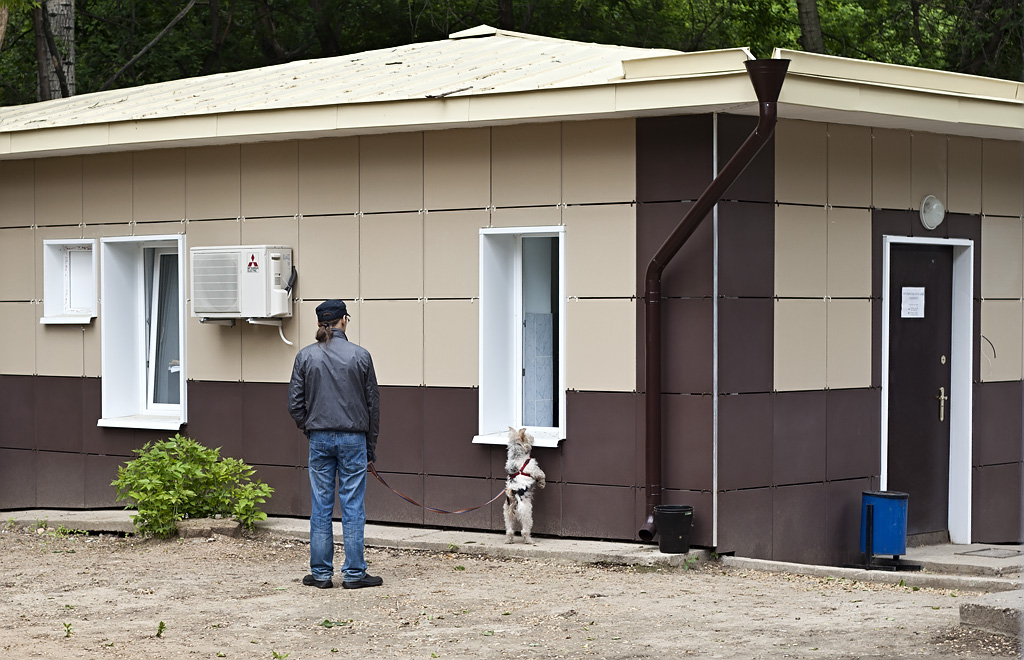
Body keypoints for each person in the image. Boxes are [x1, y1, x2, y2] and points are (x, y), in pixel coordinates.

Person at [288, 299, 382, 589]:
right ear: (344, 320)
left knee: (321, 505)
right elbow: (373, 406)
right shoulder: (361, 356)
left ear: (319, 323)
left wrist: (309, 428)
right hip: (354, 439)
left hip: (319, 438)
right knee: (353, 505)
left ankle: (320, 574)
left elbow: (295, 404)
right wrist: (370, 447)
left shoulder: (305, 357)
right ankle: (354, 574)